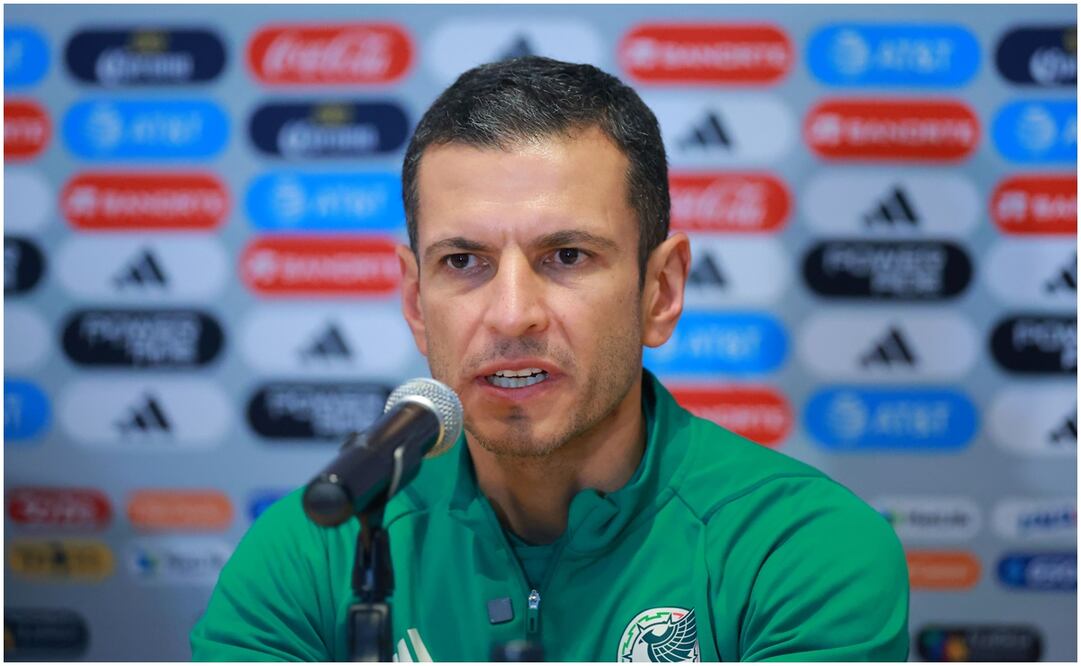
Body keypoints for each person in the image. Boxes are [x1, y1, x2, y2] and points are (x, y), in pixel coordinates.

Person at [191, 56, 909, 662]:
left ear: (658, 291)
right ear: (415, 300)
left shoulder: (799, 548)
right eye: (463, 260)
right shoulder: (318, 547)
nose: (510, 314)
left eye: (566, 256)